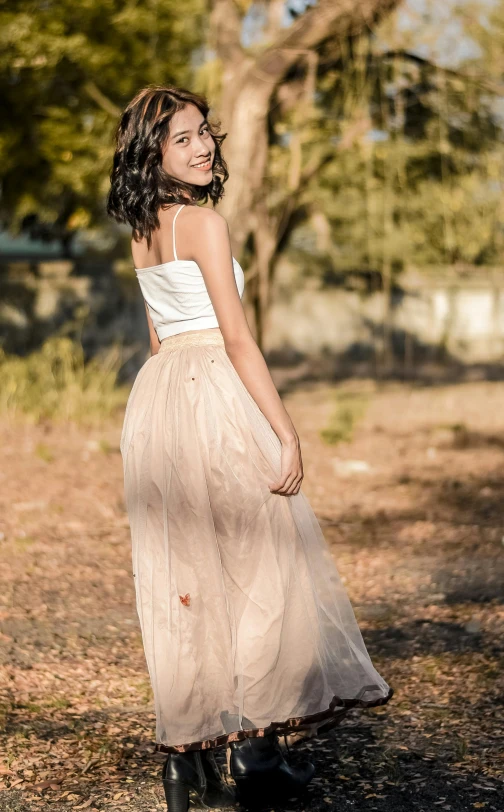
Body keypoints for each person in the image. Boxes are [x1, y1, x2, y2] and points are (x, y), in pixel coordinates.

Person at [107, 85, 393, 812]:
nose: (203, 146)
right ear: (153, 152)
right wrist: (284, 428)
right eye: (182, 138)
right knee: (259, 564)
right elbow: (236, 338)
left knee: (188, 574)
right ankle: (255, 750)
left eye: (205, 132)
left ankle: (187, 758)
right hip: (212, 389)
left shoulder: (143, 225)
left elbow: (155, 335)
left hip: (159, 397)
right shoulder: (202, 221)